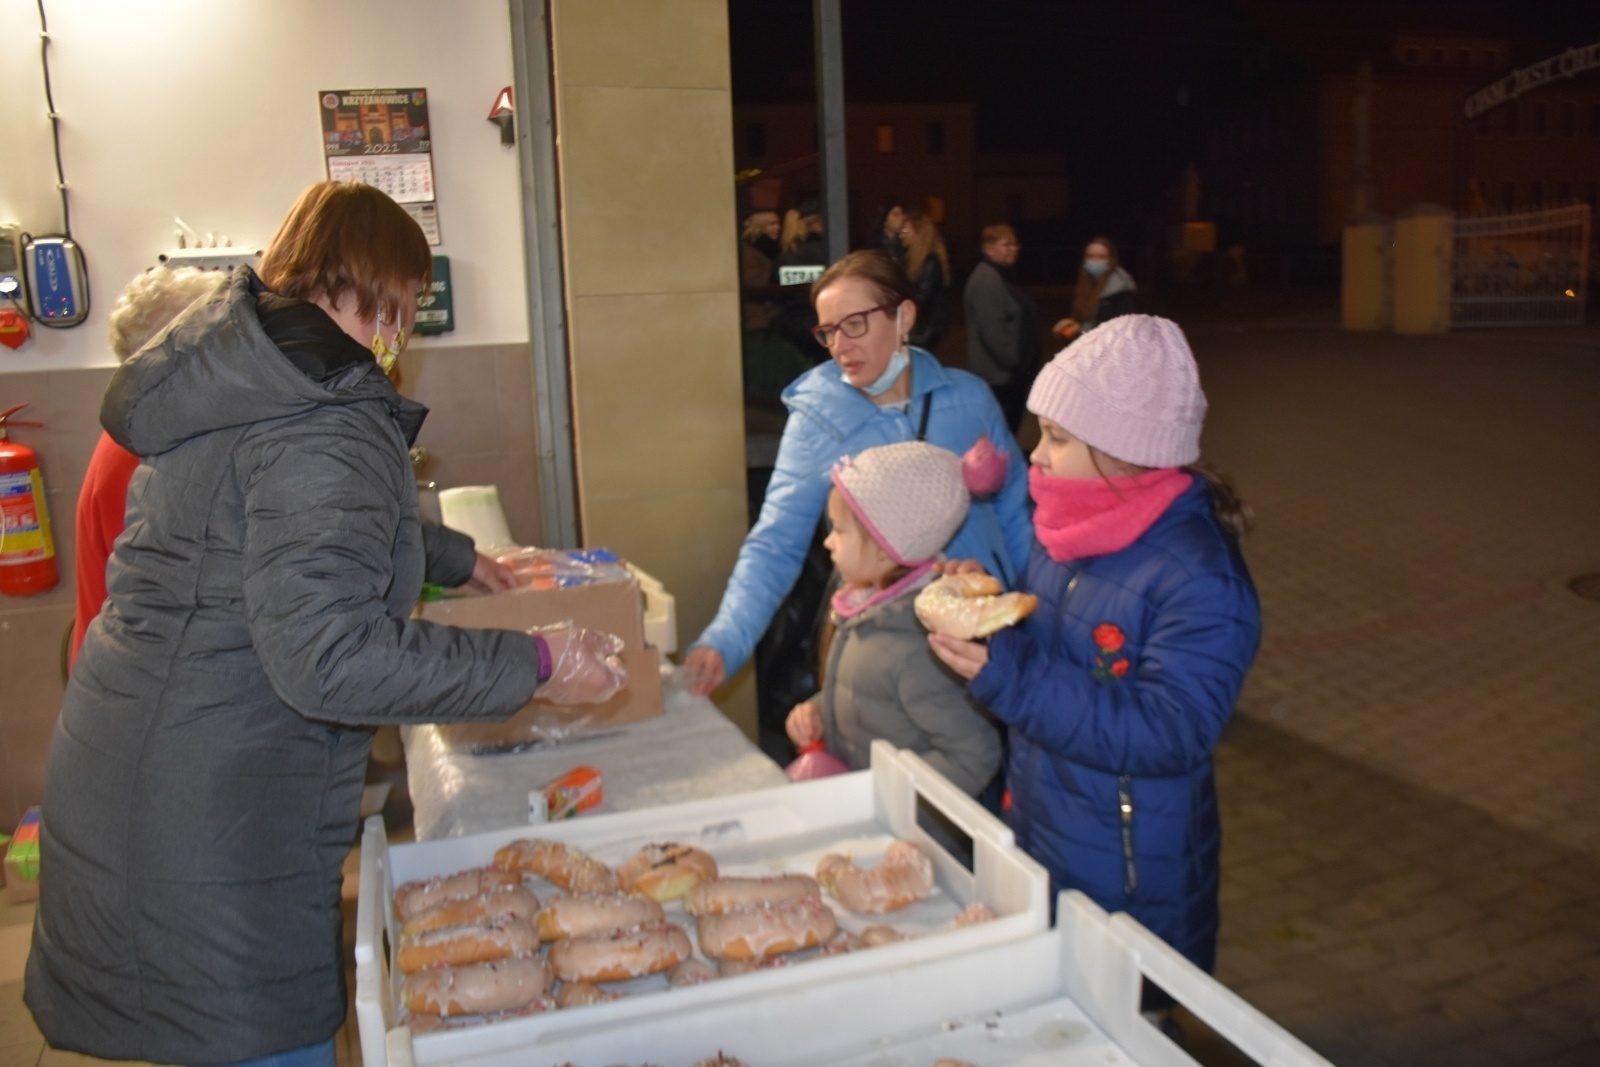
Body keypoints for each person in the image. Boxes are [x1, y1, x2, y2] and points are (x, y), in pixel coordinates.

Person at [26, 181, 627, 1067]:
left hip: (151, 767)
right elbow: (330, 656)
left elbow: (283, 529)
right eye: (407, 303)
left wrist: (454, 559)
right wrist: (536, 658)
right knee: (266, 1036)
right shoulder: (320, 417)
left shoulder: (247, 375)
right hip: (214, 811)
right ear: (368, 289)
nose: (407, 330)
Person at [929, 314, 1260, 982]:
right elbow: (1051, 654)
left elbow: (1172, 729)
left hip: (1133, 881)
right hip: (1045, 831)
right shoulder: (1067, 530)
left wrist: (1011, 676)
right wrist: (991, 619)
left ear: (1122, 450)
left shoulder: (1199, 575)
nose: (1035, 455)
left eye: (1056, 437)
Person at [69, 268, 516, 670]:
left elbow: (324, 520)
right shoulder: (141, 457)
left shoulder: (185, 435)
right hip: (153, 684)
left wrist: (454, 559)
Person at [682, 250, 1032, 699]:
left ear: (903, 316)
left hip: (989, 624)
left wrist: (1042, 611)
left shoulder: (968, 399)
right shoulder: (816, 420)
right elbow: (775, 544)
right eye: (828, 331)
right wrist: (724, 640)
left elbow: (1016, 514)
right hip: (887, 646)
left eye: (855, 324)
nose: (841, 346)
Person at [785, 442, 1000, 795]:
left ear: (886, 548)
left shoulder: (921, 646)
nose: (828, 542)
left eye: (839, 530)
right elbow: (867, 696)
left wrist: (887, 797)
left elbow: (973, 755)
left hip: (908, 835)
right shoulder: (866, 612)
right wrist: (817, 711)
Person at [963, 224, 1042, 433]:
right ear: (989, 249)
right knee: (1001, 431)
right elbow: (993, 332)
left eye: (1015, 244)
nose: (1013, 249)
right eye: (1006, 244)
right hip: (1000, 377)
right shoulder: (987, 280)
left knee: (1008, 428)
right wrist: (1016, 364)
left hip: (1008, 375)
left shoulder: (1002, 275)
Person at [1052, 236, 1136, 342]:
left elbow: (1120, 332)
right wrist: (1070, 326)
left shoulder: (1120, 292)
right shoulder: (1086, 284)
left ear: (1111, 260)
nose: (1095, 261)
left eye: (1101, 257)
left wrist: (1080, 331)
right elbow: (1085, 321)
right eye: (1090, 256)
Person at [899, 209, 951, 352]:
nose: (901, 234)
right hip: (921, 325)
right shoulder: (911, 258)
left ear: (918, 233)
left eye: (905, 230)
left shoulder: (930, 262)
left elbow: (921, 297)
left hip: (926, 328)